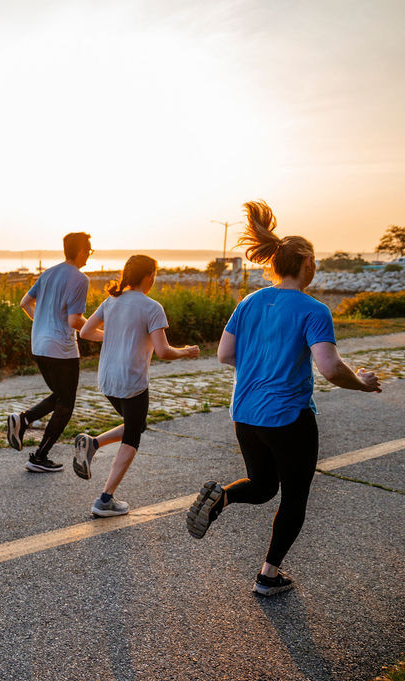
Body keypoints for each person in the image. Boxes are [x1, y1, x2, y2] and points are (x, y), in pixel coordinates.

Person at [186, 200, 381, 596]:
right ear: (306, 261)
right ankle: (268, 576)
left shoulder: (249, 302)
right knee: (294, 497)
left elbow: (225, 355)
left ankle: (222, 497)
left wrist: (260, 365)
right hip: (289, 417)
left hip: (245, 413)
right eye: (317, 261)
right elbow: (329, 367)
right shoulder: (313, 309)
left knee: (261, 486)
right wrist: (362, 382)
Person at [75, 255, 199, 517]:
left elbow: (85, 332)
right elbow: (164, 351)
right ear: (149, 276)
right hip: (132, 382)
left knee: (136, 424)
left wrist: (112, 336)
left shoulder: (112, 301)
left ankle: (93, 444)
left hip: (108, 381)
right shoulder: (151, 307)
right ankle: (105, 500)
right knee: (133, 436)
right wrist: (186, 352)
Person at [6, 232, 92, 472]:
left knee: (60, 395)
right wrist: (102, 330)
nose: (89, 254)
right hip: (62, 348)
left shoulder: (48, 273)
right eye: (89, 249)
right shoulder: (80, 279)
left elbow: (25, 303)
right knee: (66, 403)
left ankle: (24, 420)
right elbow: (75, 320)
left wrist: (41, 324)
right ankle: (39, 457)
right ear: (80, 250)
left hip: (39, 345)